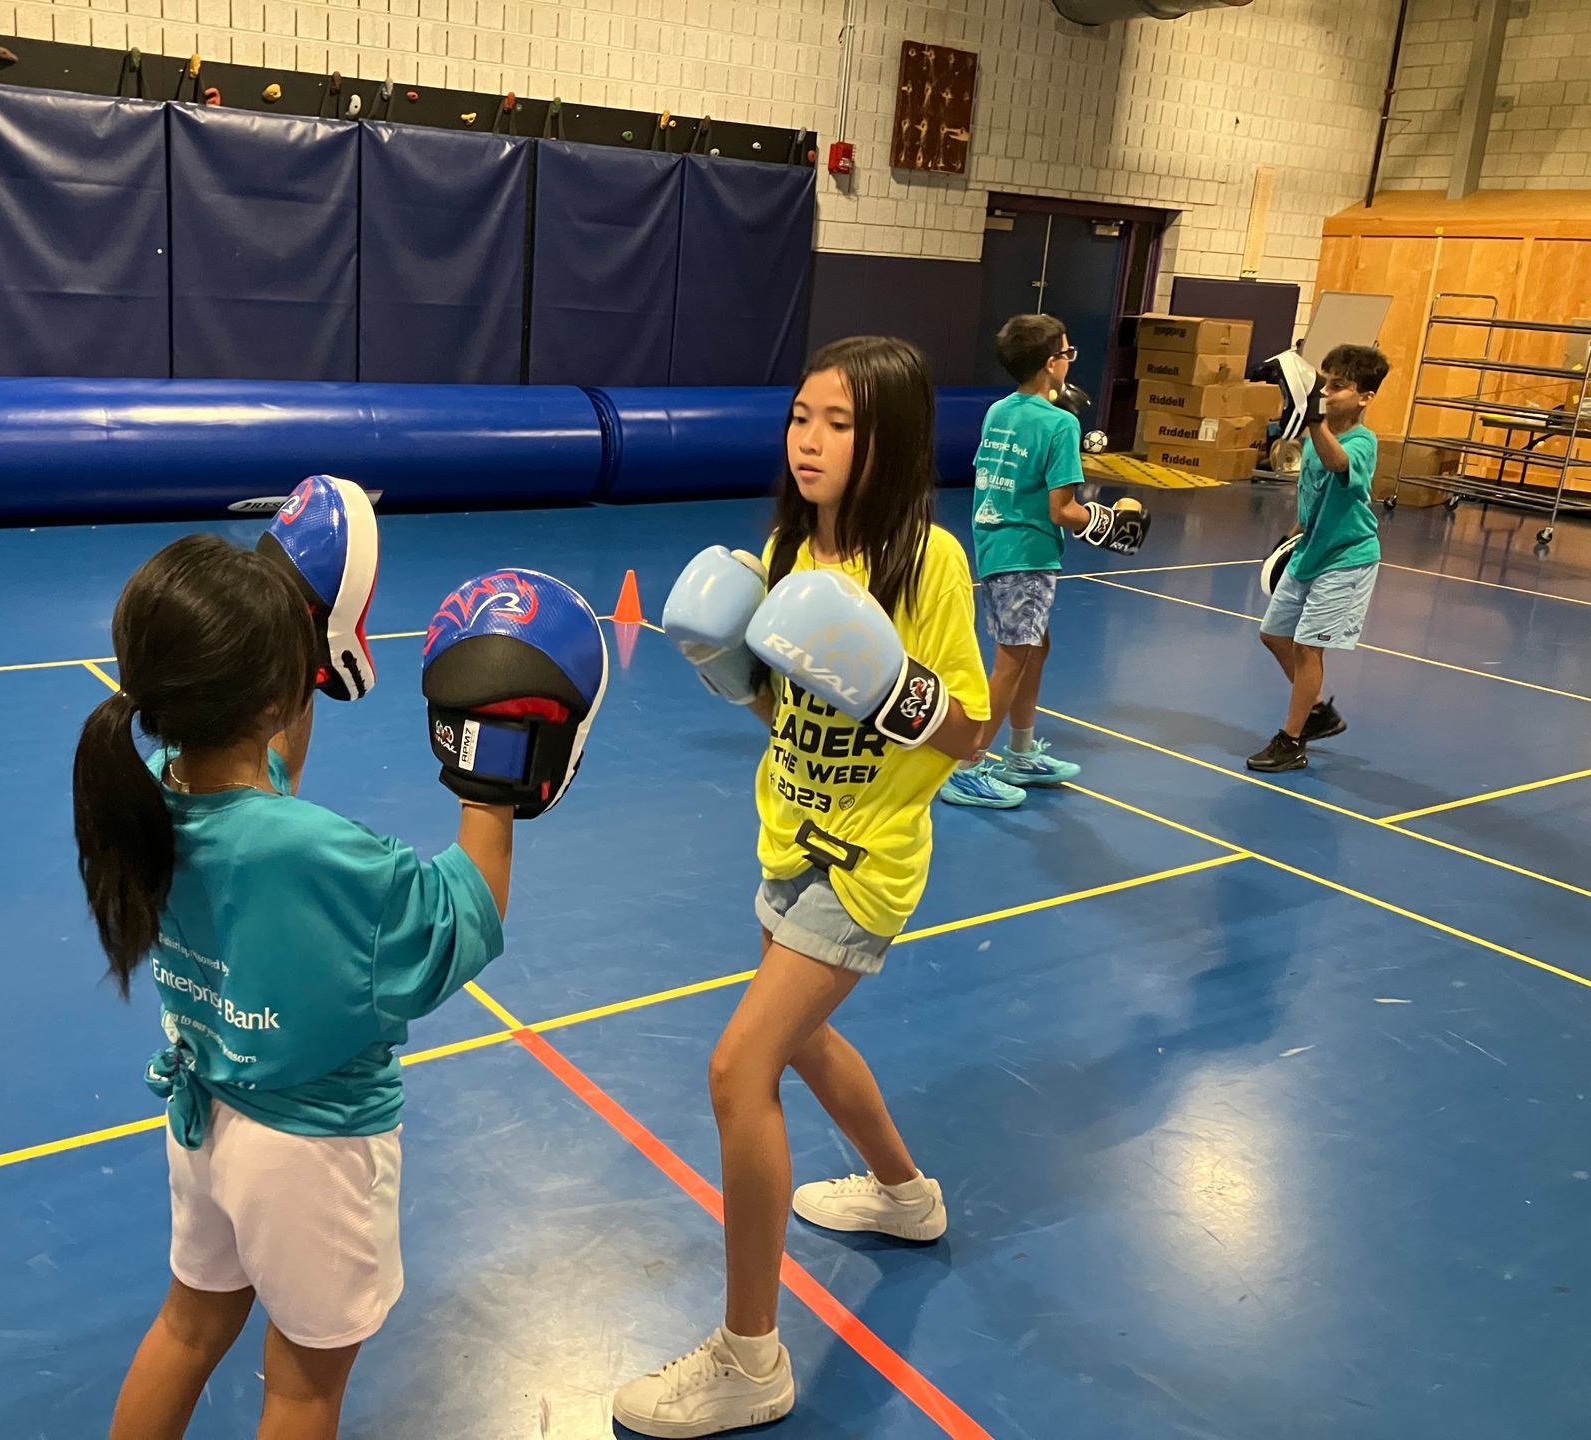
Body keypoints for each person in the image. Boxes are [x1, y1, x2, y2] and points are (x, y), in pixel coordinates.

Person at [72, 486, 603, 1439]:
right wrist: (491, 774)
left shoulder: (150, 793)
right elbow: (461, 920)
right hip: (310, 1154)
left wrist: (292, 624)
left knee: (190, 1326)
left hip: (206, 1124)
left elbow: (265, 778)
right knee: (302, 1386)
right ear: (277, 693)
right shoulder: (319, 853)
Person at [622, 336, 991, 1437]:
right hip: (787, 832)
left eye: (839, 422)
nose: (812, 439)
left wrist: (899, 692)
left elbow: (968, 737)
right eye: (800, 417)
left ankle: (751, 1358)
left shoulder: (929, 564)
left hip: (866, 858)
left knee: (741, 1070)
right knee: (806, 1042)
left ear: (888, 441)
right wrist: (724, 672)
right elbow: (786, 714)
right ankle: (903, 1195)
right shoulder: (785, 547)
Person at [939, 314, 1147, 810]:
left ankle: (1022, 750)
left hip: (993, 543)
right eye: (1069, 355)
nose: (1070, 362)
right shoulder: (1061, 424)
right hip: (1028, 552)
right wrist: (1106, 520)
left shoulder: (997, 411)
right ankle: (968, 765)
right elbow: (1063, 510)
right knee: (1012, 660)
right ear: (1052, 363)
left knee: (1036, 647)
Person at [1248, 343, 1389, 772]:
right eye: (1325, 383)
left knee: (1309, 648)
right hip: (1310, 550)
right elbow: (1312, 493)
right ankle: (1316, 712)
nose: (1328, 392)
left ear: (1365, 396)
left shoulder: (1361, 442)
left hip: (1347, 558)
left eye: (1339, 386)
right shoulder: (1317, 436)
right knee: (1273, 635)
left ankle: (1291, 741)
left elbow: (1337, 463)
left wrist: (1313, 419)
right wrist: (1291, 535)